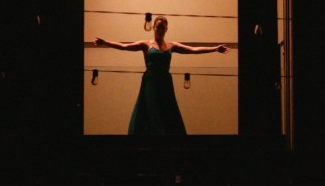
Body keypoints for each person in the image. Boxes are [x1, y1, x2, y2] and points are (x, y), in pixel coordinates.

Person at [93, 16, 230, 135]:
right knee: (151, 108)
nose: (160, 30)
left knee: (166, 108)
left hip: (165, 81)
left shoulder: (171, 45)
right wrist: (105, 42)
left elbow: (193, 50)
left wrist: (215, 49)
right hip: (151, 81)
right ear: (154, 27)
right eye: (158, 27)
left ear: (166, 29)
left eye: (163, 28)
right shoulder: (145, 44)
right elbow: (124, 46)